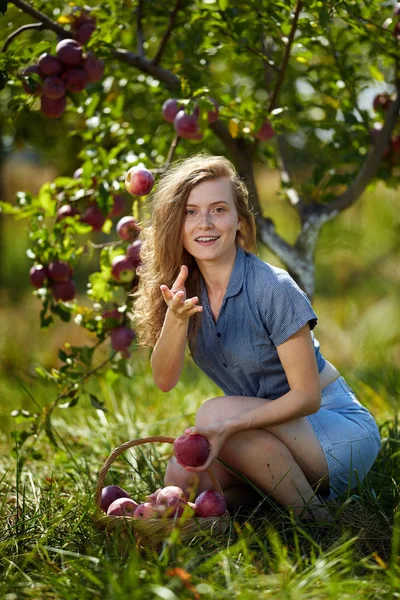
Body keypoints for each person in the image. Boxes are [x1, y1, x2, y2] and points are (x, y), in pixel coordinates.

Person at [132, 154, 381, 520]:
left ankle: (315, 518)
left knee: (214, 413)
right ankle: (259, 510)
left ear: (238, 220)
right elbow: (164, 380)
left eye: (219, 209)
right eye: (191, 212)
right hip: (272, 435)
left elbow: (308, 397)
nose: (205, 223)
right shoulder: (184, 290)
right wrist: (174, 319)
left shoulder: (271, 286)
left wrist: (228, 424)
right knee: (183, 476)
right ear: (176, 222)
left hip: (333, 431)